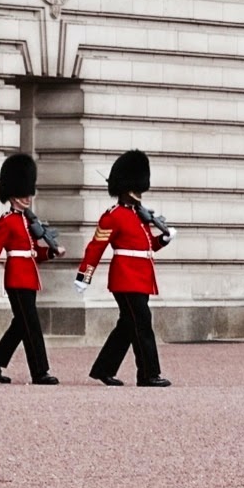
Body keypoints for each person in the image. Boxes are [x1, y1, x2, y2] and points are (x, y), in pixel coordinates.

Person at [76, 149, 174, 387]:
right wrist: (84, 275)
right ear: (125, 187)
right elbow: (96, 246)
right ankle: (148, 374)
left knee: (126, 326)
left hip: (141, 277)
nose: (140, 193)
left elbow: (147, 246)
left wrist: (164, 238)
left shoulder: (139, 216)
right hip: (125, 278)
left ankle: (103, 369)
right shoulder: (113, 216)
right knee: (142, 324)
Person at [0, 153, 63, 385]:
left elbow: (35, 253)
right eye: (23, 193)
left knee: (21, 324)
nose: (28, 198)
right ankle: (40, 371)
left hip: (29, 277)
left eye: (28, 193)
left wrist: (52, 252)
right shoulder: (7, 221)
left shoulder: (28, 222)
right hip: (16, 278)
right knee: (31, 325)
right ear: (13, 195)